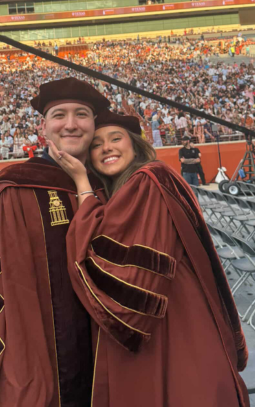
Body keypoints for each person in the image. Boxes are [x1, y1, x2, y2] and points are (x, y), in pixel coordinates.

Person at [49, 109, 249, 407]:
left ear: (135, 144)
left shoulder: (146, 181)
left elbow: (107, 262)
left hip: (171, 325)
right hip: (182, 311)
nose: (106, 148)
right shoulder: (140, 183)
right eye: (96, 144)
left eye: (116, 138)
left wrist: (81, 183)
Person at [0, 78, 110, 407]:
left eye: (81, 114)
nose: (71, 124)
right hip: (42, 360)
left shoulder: (111, 188)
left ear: (94, 125)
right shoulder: (11, 191)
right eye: (59, 115)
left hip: (111, 357)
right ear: (43, 127)